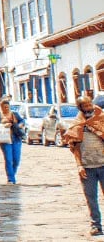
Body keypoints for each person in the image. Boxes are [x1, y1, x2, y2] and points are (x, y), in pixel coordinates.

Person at [65, 94, 104, 237]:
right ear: (80, 108)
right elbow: (74, 146)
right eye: (85, 106)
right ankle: (96, 225)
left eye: (90, 104)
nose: (89, 108)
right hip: (87, 167)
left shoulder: (101, 118)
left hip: (103, 164)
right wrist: (79, 165)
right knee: (91, 198)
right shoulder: (77, 125)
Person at [0, 97, 26, 184]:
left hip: (16, 138)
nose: (6, 109)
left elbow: (22, 121)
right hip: (4, 140)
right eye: (4, 107)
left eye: (7, 107)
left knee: (16, 160)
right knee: (8, 159)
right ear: (1, 107)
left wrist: (20, 125)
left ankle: (12, 174)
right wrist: (2, 125)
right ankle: (11, 179)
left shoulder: (14, 114)